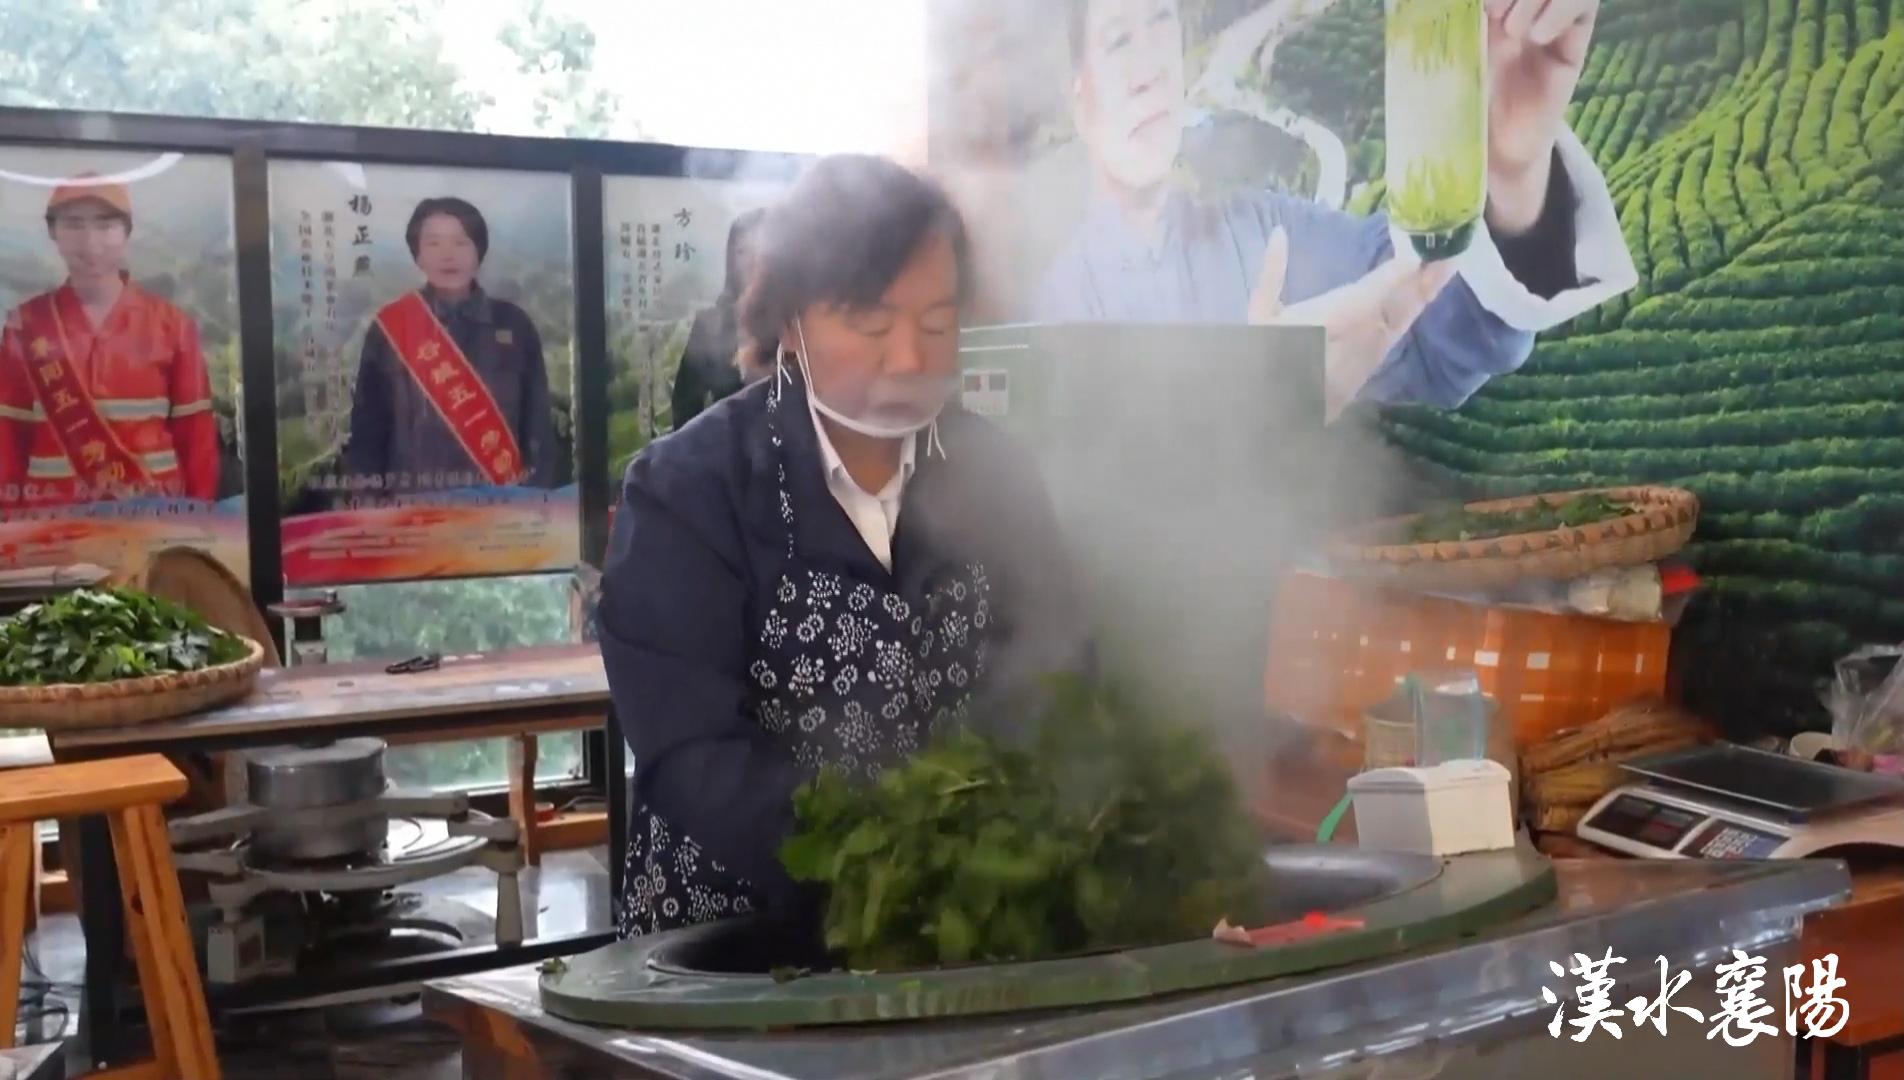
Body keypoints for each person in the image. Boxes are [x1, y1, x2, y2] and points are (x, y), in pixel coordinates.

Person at [598, 155, 1088, 937]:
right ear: (790, 321)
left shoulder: (996, 475)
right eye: (872, 325)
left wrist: (1004, 842)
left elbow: (1059, 674)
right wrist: (889, 863)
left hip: (961, 925)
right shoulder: (690, 490)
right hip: (731, 945)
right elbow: (693, 755)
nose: (911, 358)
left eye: (937, 324)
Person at [1035, 0, 1637, 415]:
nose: (1149, 72)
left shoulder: (1264, 229)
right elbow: (1074, 507)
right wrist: (1261, 404)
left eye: (1161, 24)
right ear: (1077, 97)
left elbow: (1440, 323)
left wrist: (1511, 165)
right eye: (1118, 41)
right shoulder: (1047, 300)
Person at [0, 175, 219, 509]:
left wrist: (200, 522)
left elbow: (196, 438)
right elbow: (7, 439)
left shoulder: (172, 326)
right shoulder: (25, 325)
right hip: (52, 521)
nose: (91, 242)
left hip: (155, 520)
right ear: (53, 232)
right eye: (74, 224)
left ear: (126, 232)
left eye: (105, 225)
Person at [343, 196, 558, 492]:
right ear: (418, 255)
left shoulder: (515, 325)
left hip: (502, 509)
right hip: (413, 507)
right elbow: (367, 434)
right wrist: (371, 504)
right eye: (434, 243)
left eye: (461, 243)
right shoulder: (390, 327)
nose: (448, 255)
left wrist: (535, 503)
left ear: (479, 252)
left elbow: (538, 430)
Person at [669, 208, 765, 431]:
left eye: (760, 249)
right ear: (730, 258)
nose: (752, 261)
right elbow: (684, 408)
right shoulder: (709, 325)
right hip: (727, 447)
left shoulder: (795, 321)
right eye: (743, 251)